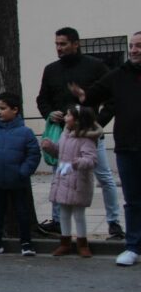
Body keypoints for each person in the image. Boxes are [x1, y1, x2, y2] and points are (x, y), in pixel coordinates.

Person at [36, 27, 121, 239]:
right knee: (60, 175)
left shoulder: (96, 66)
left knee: (104, 177)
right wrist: (49, 113)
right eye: (56, 44)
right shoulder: (51, 69)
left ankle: (114, 223)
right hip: (63, 137)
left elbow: (113, 98)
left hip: (91, 137)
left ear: (76, 44)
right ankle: (57, 221)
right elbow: (42, 99)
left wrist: (96, 122)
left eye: (63, 44)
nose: (59, 48)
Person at [70, 31, 141, 266]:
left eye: (138, 46)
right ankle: (133, 247)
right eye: (131, 46)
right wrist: (83, 95)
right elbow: (93, 94)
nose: (133, 50)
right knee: (132, 200)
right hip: (128, 147)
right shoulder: (119, 75)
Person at [0, 92, 42, 256]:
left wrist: (23, 172)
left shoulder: (25, 132)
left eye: (3, 108)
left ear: (15, 110)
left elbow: (33, 154)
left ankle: (26, 242)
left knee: (22, 212)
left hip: (18, 181)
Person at [41, 105, 99, 258]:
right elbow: (59, 151)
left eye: (68, 115)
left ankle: (82, 243)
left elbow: (92, 160)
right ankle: (65, 243)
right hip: (64, 178)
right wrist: (50, 147)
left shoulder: (86, 139)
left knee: (79, 214)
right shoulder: (64, 135)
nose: (65, 117)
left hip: (79, 181)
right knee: (63, 213)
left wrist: (78, 162)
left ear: (77, 120)